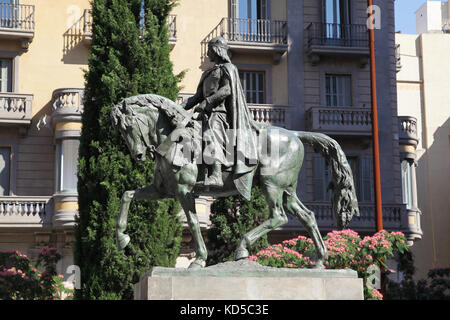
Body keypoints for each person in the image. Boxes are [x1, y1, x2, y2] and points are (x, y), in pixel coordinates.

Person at [182, 36, 258, 200]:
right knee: (186, 136)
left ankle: (216, 174)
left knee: (210, 132)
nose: (207, 52)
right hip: (205, 113)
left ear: (216, 50)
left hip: (220, 114)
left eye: (209, 48)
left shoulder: (228, 68)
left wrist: (208, 102)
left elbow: (226, 90)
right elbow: (196, 97)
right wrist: (178, 107)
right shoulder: (208, 73)